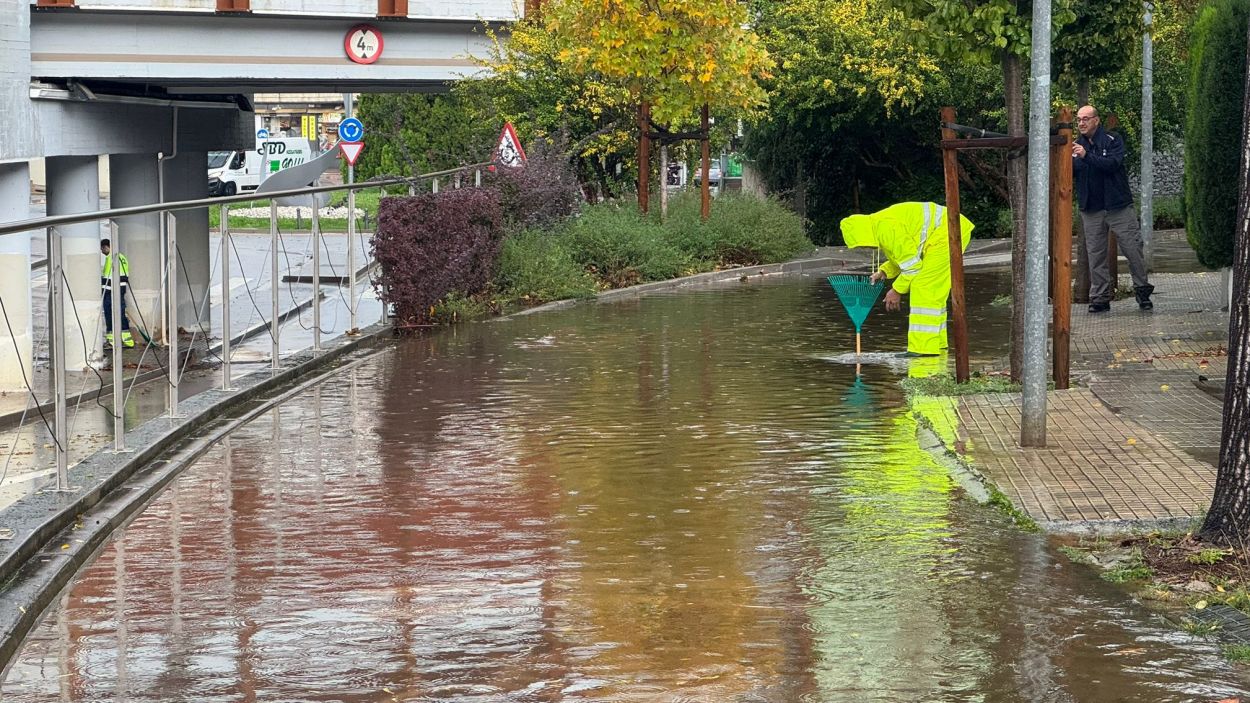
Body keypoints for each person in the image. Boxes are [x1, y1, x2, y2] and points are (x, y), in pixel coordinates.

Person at [839, 202, 974, 356]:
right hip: (949, 228)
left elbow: (912, 266)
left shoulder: (886, 229)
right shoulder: (880, 225)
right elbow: (903, 258)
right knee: (933, 292)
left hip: (948, 231)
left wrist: (896, 290)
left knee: (923, 287)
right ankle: (936, 344)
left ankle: (923, 349)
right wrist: (884, 271)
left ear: (863, 235)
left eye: (861, 245)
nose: (865, 249)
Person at [1073, 105, 1153, 313]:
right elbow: (1072, 172)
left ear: (1096, 120)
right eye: (1079, 119)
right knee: (1096, 254)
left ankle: (1142, 291)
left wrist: (1086, 156)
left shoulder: (1112, 139)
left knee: (1132, 248)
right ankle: (1099, 298)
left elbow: (1112, 164)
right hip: (1091, 208)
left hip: (1118, 206)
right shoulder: (1075, 146)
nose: (1081, 123)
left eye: (1086, 118)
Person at [100, 238, 134, 349]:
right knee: (121, 314)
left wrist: (102, 289)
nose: (101, 251)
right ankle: (127, 340)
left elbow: (107, 277)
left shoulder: (110, 258)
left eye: (102, 248)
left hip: (110, 292)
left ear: (106, 247)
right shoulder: (122, 257)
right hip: (121, 290)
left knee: (109, 315)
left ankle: (111, 341)